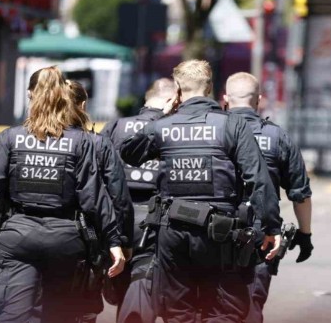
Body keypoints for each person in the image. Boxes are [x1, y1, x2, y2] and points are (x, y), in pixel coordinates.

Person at [120, 60, 283, 323]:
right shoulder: (232, 125)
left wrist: (162, 115)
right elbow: (258, 179)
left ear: (177, 89)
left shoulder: (164, 126)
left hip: (172, 229)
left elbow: (128, 152)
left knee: (177, 310)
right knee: (226, 310)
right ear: (209, 88)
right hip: (220, 232)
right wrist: (271, 227)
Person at [0, 67, 128, 323]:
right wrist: (114, 241)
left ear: (29, 95)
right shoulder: (81, 141)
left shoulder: (10, 138)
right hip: (66, 239)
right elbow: (93, 197)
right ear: (63, 97)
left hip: (17, 236)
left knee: (14, 315)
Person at [223, 72, 314, 323]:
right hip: (261, 234)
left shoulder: (211, 131)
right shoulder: (277, 137)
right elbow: (300, 193)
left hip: (211, 233)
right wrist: (305, 235)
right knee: (251, 306)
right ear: (259, 100)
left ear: (226, 99)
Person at [100, 78, 176, 323]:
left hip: (115, 222)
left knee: (125, 288)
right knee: (143, 286)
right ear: (171, 100)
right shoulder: (174, 128)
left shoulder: (115, 126)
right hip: (156, 224)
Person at [67, 79, 135, 322]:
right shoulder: (98, 143)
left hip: (31, 234)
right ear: (83, 105)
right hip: (86, 238)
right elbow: (119, 198)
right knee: (83, 309)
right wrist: (123, 241)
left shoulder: (30, 139)